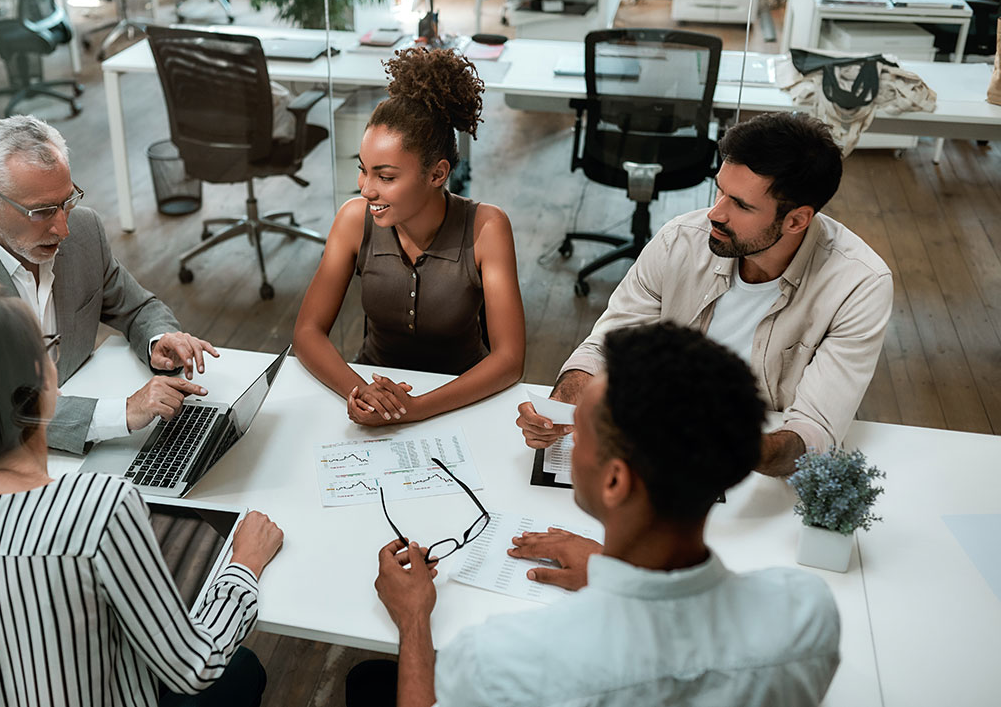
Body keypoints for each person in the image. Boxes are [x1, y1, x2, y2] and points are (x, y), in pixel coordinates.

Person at [369, 323, 841, 707]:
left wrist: (413, 619)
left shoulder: (502, 660)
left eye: (580, 433)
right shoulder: (805, 614)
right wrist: (614, 567)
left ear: (614, 482)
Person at [0, 283, 283, 707]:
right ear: (37, 385)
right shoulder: (100, 507)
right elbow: (194, 666)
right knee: (242, 669)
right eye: (47, 350)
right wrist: (243, 567)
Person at [518, 112, 893, 476]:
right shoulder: (679, 239)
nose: (715, 213)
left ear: (796, 220)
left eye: (741, 205)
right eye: (720, 191)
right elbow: (604, 348)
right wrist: (562, 404)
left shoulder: (859, 285)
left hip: (757, 465)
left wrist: (734, 447)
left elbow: (813, 432)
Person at [0, 115, 216, 495]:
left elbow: (134, 306)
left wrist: (158, 338)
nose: (63, 227)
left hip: (75, 447)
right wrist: (124, 412)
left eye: (67, 201)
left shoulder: (83, 230)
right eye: (42, 211)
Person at [293, 48, 525, 426]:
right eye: (363, 170)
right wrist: (359, 392)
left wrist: (412, 410)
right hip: (371, 389)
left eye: (385, 177)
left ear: (437, 174)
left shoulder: (487, 227)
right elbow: (307, 332)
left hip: (463, 400)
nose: (366, 189)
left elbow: (509, 360)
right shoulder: (354, 220)